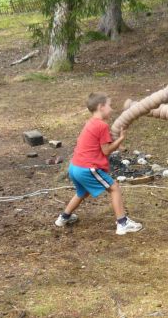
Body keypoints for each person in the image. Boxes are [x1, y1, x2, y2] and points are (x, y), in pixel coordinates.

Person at [55, 92, 143, 235]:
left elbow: (100, 144)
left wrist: (116, 143)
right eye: (109, 105)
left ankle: (63, 218)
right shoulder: (102, 125)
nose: (112, 109)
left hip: (75, 167)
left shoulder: (90, 122)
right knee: (114, 188)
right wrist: (121, 139)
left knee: (82, 192)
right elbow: (106, 150)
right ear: (101, 107)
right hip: (87, 168)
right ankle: (123, 223)